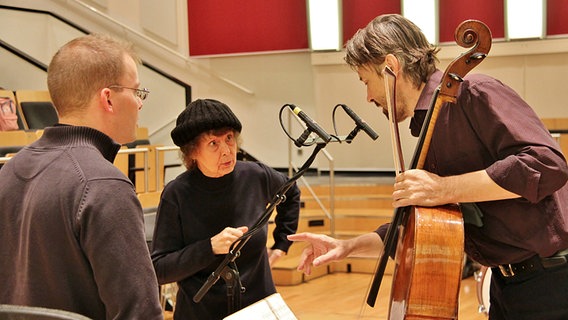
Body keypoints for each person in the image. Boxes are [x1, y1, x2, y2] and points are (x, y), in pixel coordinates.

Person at [288, 14, 568, 320]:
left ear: (390, 67)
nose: (368, 96)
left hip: (552, 281)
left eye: (365, 80)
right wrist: (347, 247)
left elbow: (547, 163)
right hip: (507, 285)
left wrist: (443, 188)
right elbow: (415, 230)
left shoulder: (473, 92)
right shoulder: (432, 122)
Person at [0, 34, 163, 319]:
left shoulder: (9, 171)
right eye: (136, 91)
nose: (139, 103)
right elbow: (140, 313)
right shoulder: (104, 184)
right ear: (108, 98)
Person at [151, 98, 301, 320]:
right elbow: (160, 269)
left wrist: (282, 243)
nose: (227, 151)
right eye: (214, 143)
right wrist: (209, 247)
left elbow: (291, 192)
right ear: (192, 152)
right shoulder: (177, 194)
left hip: (258, 308)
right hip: (201, 312)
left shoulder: (256, 176)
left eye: (229, 139)